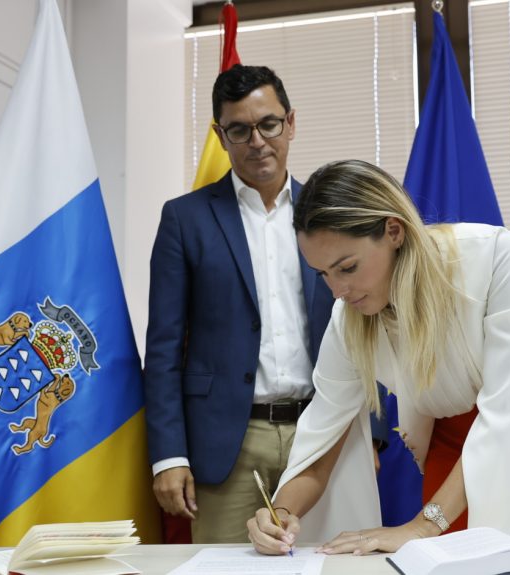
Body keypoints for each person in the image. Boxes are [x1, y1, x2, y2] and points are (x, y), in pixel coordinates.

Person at [247, 159, 510, 556]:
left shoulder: (495, 256)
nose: (337, 290)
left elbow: (508, 411)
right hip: (452, 439)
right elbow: (320, 439)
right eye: (323, 274)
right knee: (450, 564)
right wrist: (280, 513)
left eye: (347, 267)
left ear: (393, 230)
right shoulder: (348, 321)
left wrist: (420, 526)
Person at [143, 66, 384, 543]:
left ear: (291, 123)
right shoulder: (184, 219)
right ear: (221, 135)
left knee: (333, 565)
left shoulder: (332, 213)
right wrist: (169, 456)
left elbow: (370, 317)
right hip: (228, 444)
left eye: (269, 124)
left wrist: (371, 430)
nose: (256, 141)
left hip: (324, 431)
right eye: (239, 129)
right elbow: (164, 349)